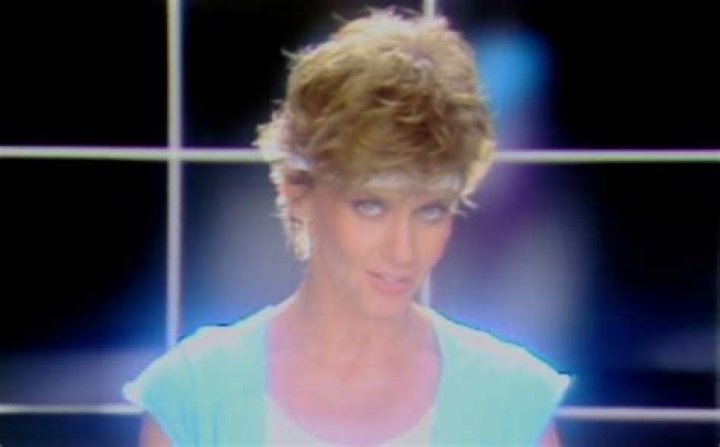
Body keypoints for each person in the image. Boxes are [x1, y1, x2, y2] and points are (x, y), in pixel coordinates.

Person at [125, 8, 571, 446]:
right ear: (297, 189)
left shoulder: (511, 402)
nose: (403, 251)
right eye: (371, 206)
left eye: (431, 211)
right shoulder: (197, 394)